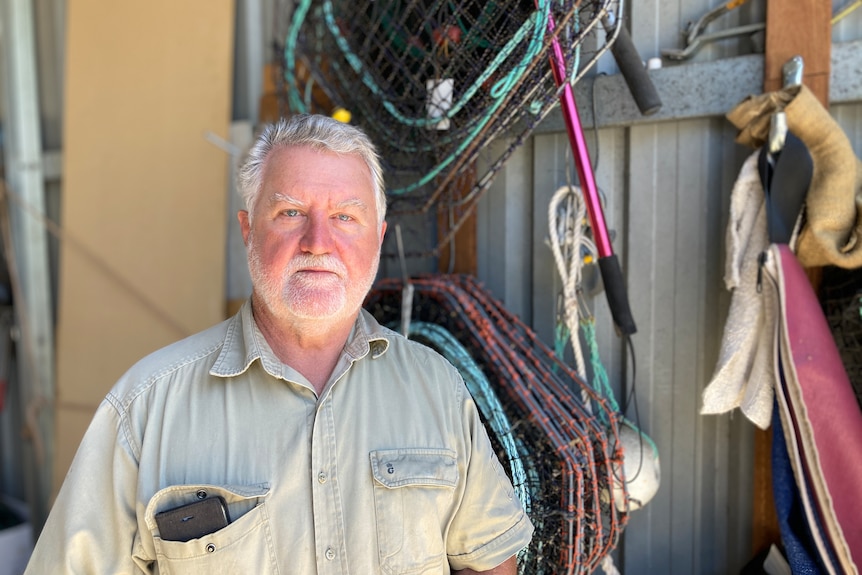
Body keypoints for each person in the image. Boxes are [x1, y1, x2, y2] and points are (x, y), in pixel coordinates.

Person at [25, 114, 534, 574]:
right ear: (248, 230)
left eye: (345, 217)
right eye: (291, 212)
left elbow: (487, 561)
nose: (318, 240)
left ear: (378, 237)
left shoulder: (435, 387)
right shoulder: (146, 407)